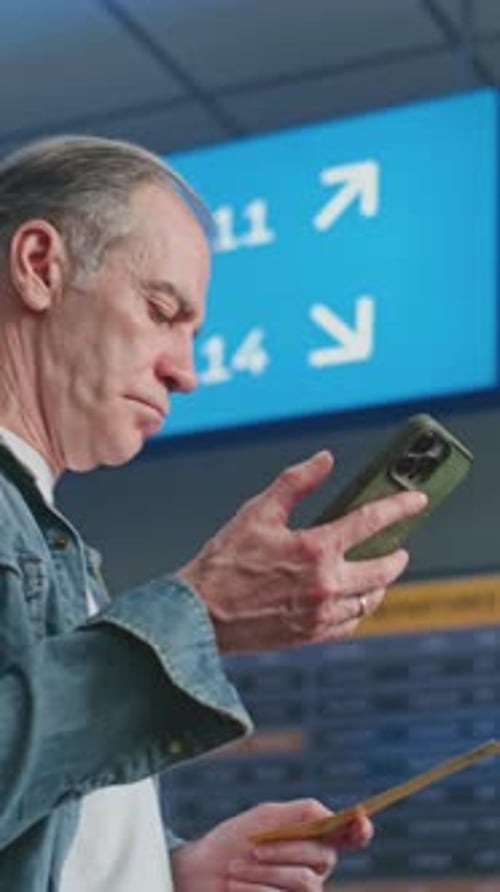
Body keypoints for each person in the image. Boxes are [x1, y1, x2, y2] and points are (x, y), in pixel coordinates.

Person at [0, 135, 427, 891]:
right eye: (162, 310)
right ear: (39, 266)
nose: (187, 372)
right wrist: (198, 614)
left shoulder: (53, 543)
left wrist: (172, 869)